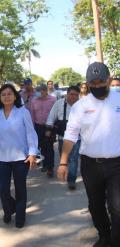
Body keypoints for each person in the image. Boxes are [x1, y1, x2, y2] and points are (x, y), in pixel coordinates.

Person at [58, 62, 120, 247]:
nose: (98, 86)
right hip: (90, 165)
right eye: (93, 83)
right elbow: (70, 135)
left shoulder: (118, 99)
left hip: (117, 164)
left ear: (108, 79)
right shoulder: (80, 106)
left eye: (102, 81)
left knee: (117, 207)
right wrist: (63, 163)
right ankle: (104, 236)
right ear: (87, 83)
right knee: (95, 205)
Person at [0, 84, 38, 228]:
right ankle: (8, 210)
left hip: (21, 158)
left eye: (9, 94)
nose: (6, 96)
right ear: (0, 98)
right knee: (3, 189)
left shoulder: (23, 112)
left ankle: (20, 216)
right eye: (3, 94)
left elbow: (30, 133)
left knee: (20, 188)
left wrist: (32, 153)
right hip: (2, 158)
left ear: (15, 96)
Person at [45, 86, 80, 190]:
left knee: (73, 159)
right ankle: (65, 170)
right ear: (67, 94)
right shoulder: (59, 104)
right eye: (72, 94)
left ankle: (71, 179)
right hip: (62, 136)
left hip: (77, 137)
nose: (74, 97)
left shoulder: (81, 104)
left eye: (76, 95)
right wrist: (48, 130)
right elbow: (51, 117)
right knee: (63, 156)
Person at [29, 84, 56, 177]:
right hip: (38, 126)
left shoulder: (52, 100)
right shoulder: (34, 101)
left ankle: (50, 168)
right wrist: (31, 128)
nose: (38, 93)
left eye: (40, 90)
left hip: (49, 126)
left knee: (49, 147)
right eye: (37, 91)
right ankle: (45, 164)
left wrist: (51, 127)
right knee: (41, 147)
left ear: (45, 90)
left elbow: (55, 114)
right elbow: (32, 114)